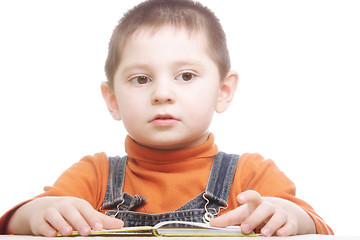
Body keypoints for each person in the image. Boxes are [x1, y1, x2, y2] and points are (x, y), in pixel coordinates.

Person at [0, 0, 333, 237]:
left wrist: (289, 216)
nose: (162, 93)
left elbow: (319, 227)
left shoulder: (251, 176)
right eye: (141, 79)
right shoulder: (93, 176)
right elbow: (14, 224)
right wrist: (35, 215)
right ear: (112, 99)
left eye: (186, 76)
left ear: (223, 91)